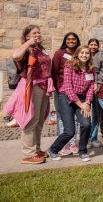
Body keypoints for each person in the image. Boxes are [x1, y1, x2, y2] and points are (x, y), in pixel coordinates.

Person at [4, 25, 54, 164]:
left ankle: (37, 149)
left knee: (39, 121)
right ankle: (28, 154)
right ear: (27, 36)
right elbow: (15, 56)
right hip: (32, 87)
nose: (38, 34)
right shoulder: (27, 49)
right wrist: (28, 43)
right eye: (34, 33)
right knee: (31, 120)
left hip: (43, 87)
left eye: (39, 32)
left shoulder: (41, 49)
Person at [47, 46, 95, 162]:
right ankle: (53, 150)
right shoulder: (69, 65)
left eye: (87, 53)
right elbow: (68, 87)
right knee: (70, 131)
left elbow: (91, 88)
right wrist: (81, 104)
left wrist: (87, 102)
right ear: (77, 54)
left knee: (86, 124)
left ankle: (82, 151)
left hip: (83, 99)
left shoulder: (91, 69)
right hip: (66, 97)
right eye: (82, 53)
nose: (84, 55)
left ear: (90, 56)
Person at [51, 32, 81, 156]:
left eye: (73, 39)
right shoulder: (59, 53)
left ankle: (73, 142)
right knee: (63, 118)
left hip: (76, 90)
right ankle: (64, 144)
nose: (71, 41)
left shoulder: (78, 53)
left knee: (74, 118)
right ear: (65, 40)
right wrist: (58, 89)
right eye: (68, 39)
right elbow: (54, 72)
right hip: (62, 90)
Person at [86, 38, 102, 149]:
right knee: (85, 115)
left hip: (96, 88)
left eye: (95, 45)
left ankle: (93, 138)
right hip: (84, 89)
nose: (93, 47)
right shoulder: (84, 55)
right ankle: (85, 139)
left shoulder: (100, 56)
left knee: (96, 115)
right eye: (91, 44)